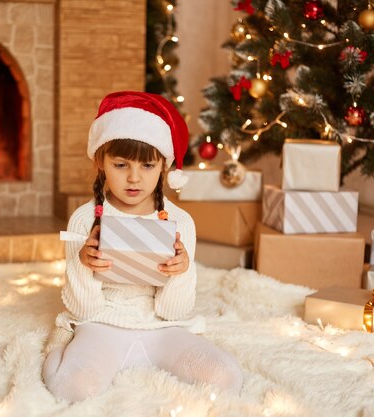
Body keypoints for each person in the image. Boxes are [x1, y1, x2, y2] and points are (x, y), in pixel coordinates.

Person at [42, 91, 243, 402]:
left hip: (163, 329)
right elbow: (83, 309)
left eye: (148, 166)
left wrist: (181, 271)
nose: (134, 178)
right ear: (101, 161)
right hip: (101, 325)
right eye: (121, 164)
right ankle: (62, 342)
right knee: (71, 388)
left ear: (164, 165)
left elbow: (174, 310)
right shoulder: (84, 220)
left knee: (225, 376)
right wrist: (82, 265)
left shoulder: (180, 222)